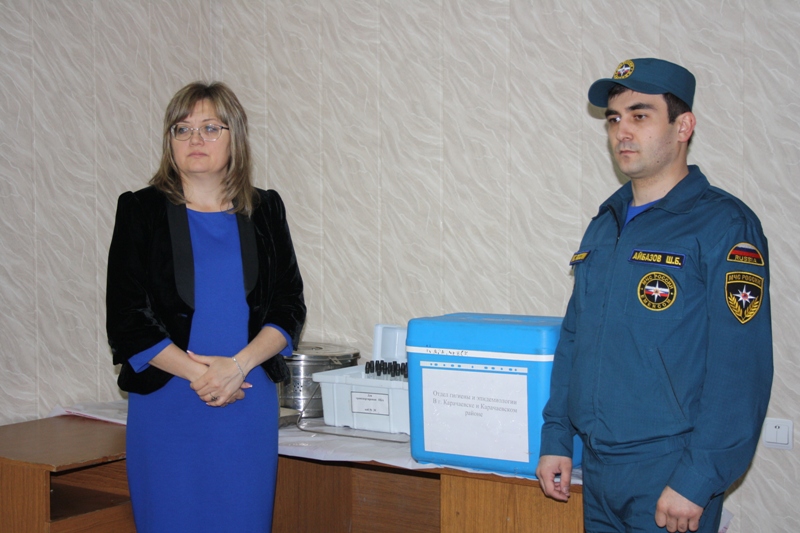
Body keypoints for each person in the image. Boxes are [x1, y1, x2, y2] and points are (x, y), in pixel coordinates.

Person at [536, 58, 773, 533]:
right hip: (599, 469)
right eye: (614, 118)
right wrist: (556, 436)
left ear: (683, 127)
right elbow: (576, 339)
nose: (622, 132)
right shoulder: (606, 223)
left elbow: (740, 368)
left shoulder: (724, 225)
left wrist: (698, 477)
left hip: (670, 471)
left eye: (640, 115)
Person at [106, 81, 306, 532]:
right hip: (168, 401)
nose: (195, 138)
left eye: (210, 128)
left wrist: (237, 367)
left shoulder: (266, 209)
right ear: (170, 141)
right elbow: (126, 319)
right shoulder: (140, 210)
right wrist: (204, 376)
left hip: (246, 398)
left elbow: (289, 306)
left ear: (235, 137)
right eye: (183, 129)